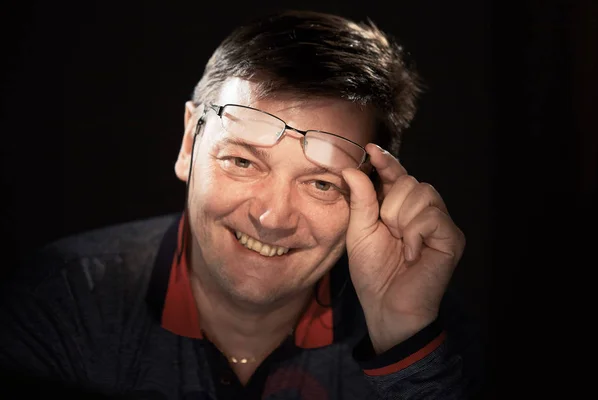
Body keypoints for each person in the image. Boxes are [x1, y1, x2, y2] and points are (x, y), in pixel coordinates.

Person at [0, 9, 484, 399]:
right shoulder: (63, 301)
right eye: (242, 161)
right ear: (190, 143)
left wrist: (404, 341)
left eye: (321, 184)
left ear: (375, 196)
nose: (272, 219)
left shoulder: (427, 329)